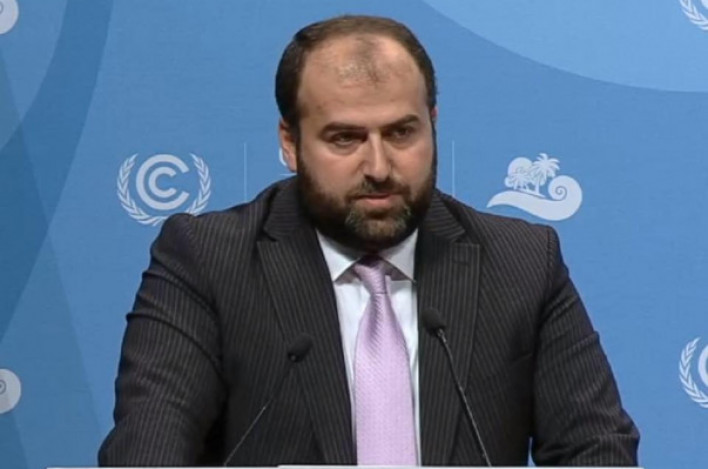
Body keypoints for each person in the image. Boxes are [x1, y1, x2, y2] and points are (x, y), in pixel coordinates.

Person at [98, 15, 639, 467]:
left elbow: (597, 450)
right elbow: (148, 449)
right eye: (345, 138)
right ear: (290, 142)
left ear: (432, 123)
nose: (379, 167)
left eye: (401, 133)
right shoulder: (208, 261)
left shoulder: (521, 263)